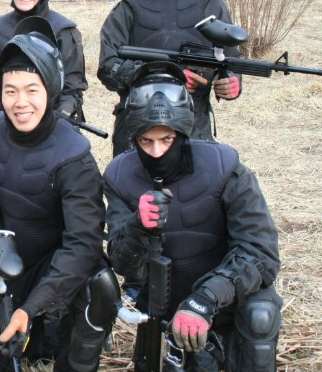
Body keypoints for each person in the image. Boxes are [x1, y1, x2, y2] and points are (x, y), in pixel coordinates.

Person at [0, 17, 115, 371]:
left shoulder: (73, 155)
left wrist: (31, 308)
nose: (20, 102)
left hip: (58, 264)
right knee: (1, 360)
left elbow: (83, 244)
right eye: (10, 91)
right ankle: (36, 331)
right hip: (6, 263)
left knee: (98, 286)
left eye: (32, 90)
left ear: (50, 90)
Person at [104, 61, 282, 372]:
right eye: (146, 141)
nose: (156, 151)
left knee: (260, 315)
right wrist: (137, 227)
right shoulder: (120, 175)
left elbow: (261, 253)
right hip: (165, 303)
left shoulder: (224, 167)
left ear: (183, 132)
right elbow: (122, 263)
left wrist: (206, 299)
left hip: (227, 296)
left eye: (167, 139)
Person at [97, 0, 242, 157]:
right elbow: (108, 68)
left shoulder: (208, 1)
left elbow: (230, 58)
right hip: (137, 129)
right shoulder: (128, 7)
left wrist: (232, 82)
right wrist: (166, 75)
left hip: (194, 126)